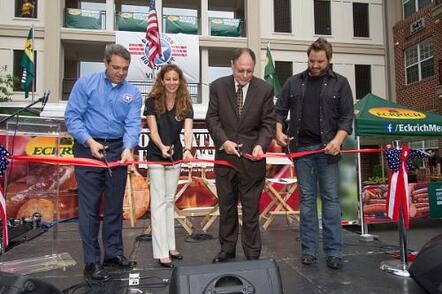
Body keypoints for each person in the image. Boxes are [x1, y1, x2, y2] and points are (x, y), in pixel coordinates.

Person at [275, 37, 354, 270]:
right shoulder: (294, 82)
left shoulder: (341, 83)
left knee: (330, 200)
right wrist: (278, 131)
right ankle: (309, 251)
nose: (315, 65)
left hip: (327, 150)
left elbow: (347, 116)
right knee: (307, 201)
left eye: (320, 61)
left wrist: (338, 140)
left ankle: (334, 252)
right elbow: (279, 111)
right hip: (301, 151)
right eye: (311, 60)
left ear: (329, 60)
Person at [65, 44, 141, 280]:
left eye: (125, 69)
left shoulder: (133, 93)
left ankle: (113, 255)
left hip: (117, 149)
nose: (120, 72)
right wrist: (89, 141)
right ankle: (91, 262)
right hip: (88, 149)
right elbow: (72, 116)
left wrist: (128, 148)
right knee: (89, 207)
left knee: (114, 206)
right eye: (116, 67)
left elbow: (132, 124)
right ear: (106, 63)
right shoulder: (85, 84)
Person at [206, 48, 275, 263]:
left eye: (249, 71)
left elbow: (268, 123)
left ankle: (252, 253)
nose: (245, 75)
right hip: (225, 159)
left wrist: (261, 145)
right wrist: (224, 141)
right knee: (226, 207)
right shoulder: (217, 87)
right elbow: (212, 119)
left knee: (251, 209)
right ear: (232, 65)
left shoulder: (265, 89)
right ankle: (227, 250)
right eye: (240, 70)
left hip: (252, 162)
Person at [144, 64, 194, 268]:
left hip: (176, 156)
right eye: (168, 79)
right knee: (158, 203)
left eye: (176, 79)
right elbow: (153, 130)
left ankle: (171, 245)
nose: (172, 82)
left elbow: (188, 131)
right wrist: (162, 146)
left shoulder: (185, 103)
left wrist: (189, 148)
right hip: (157, 154)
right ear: (162, 81)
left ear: (180, 81)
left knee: (168, 201)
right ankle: (161, 251)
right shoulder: (151, 102)